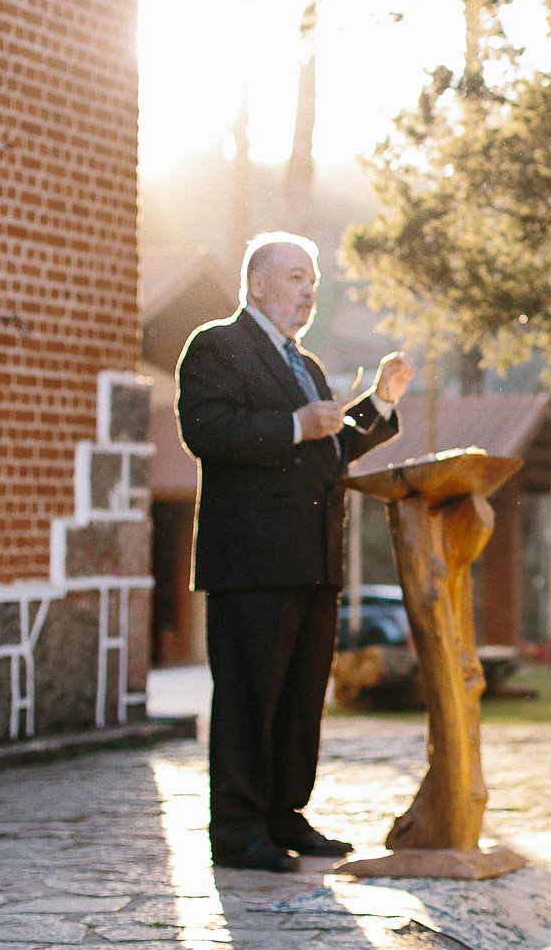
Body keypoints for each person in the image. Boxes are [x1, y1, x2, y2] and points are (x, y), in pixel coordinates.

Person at [177, 233, 413, 873]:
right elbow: (206, 430)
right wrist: (293, 425)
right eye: (295, 277)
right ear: (257, 285)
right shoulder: (218, 344)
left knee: (301, 700)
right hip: (251, 561)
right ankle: (238, 830)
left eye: (313, 280)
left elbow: (329, 447)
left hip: (313, 558)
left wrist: (382, 400)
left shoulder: (304, 364)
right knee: (250, 697)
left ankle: (285, 815)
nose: (309, 291)